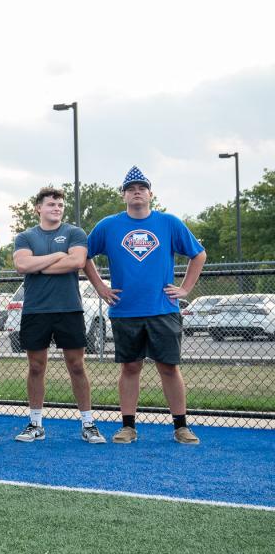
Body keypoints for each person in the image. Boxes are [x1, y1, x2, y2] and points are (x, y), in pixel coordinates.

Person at [84, 167, 206, 445]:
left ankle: (180, 427)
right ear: (124, 195)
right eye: (130, 188)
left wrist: (185, 288)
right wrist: (100, 287)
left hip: (163, 308)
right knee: (130, 368)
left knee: (169, 368)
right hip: (125, 310)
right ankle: (128, 426)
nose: (136, 191)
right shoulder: (108, 226)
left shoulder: (169, 223)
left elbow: (199, 254)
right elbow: (83, 257)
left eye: (141, 187)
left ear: (151, 194)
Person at [12, 187, 107, 444]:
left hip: (69, 309)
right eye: (51, 204)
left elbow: (77, 263)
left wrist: (38, 265)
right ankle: (35, 424)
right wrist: (55, 256)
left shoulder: (74, 233)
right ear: (38, 208)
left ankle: (88, 423)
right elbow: (22, 265)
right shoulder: (25, 236)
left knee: (76, 366)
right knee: (36, 367)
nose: (57, 208)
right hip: (36, 310)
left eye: (60, 204)